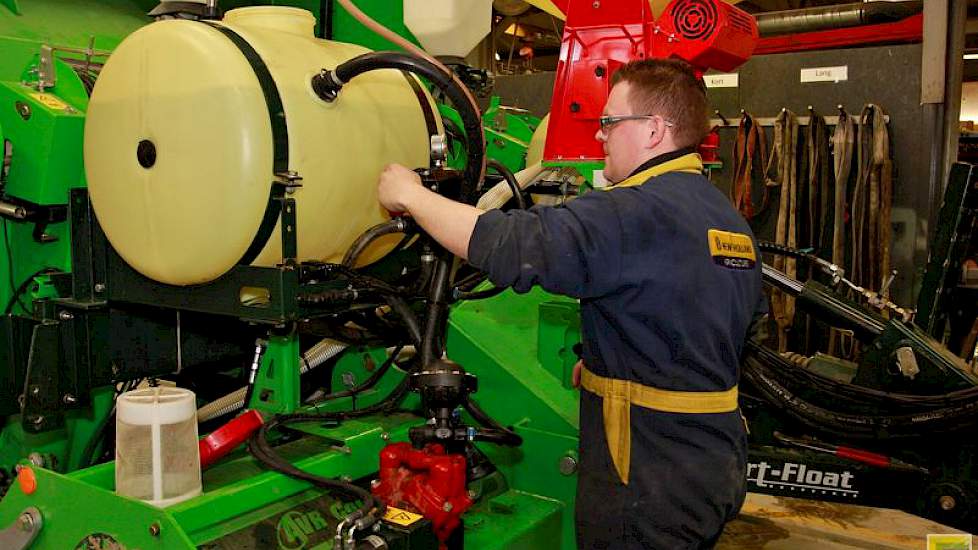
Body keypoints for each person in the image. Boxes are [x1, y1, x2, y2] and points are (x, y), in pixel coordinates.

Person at [377, 58, 763, 549]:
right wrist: (608, 359)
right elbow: (720, 323)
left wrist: (412, 196)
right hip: (713, 462)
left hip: (647, 477)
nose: (600, 136)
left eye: (609, 122)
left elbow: (512, 245)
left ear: (653, 132)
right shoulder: (725, 217)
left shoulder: (634, 211)